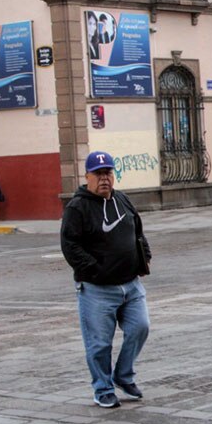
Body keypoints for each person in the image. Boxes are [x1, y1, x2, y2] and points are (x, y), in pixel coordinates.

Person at [61, 151, 152, 409]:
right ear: (87, 176)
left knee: (140, 327)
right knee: (99, 344)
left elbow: (138, 230)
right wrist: (95, 270)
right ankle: (103, 389)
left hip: (131, 285)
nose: (104, 178)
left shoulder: (122, 200)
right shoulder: (77, 208)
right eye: (98, 174)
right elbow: (70, 245)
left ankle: (123, 375)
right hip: (97, 289)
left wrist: (144, 257)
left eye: (108, 173)